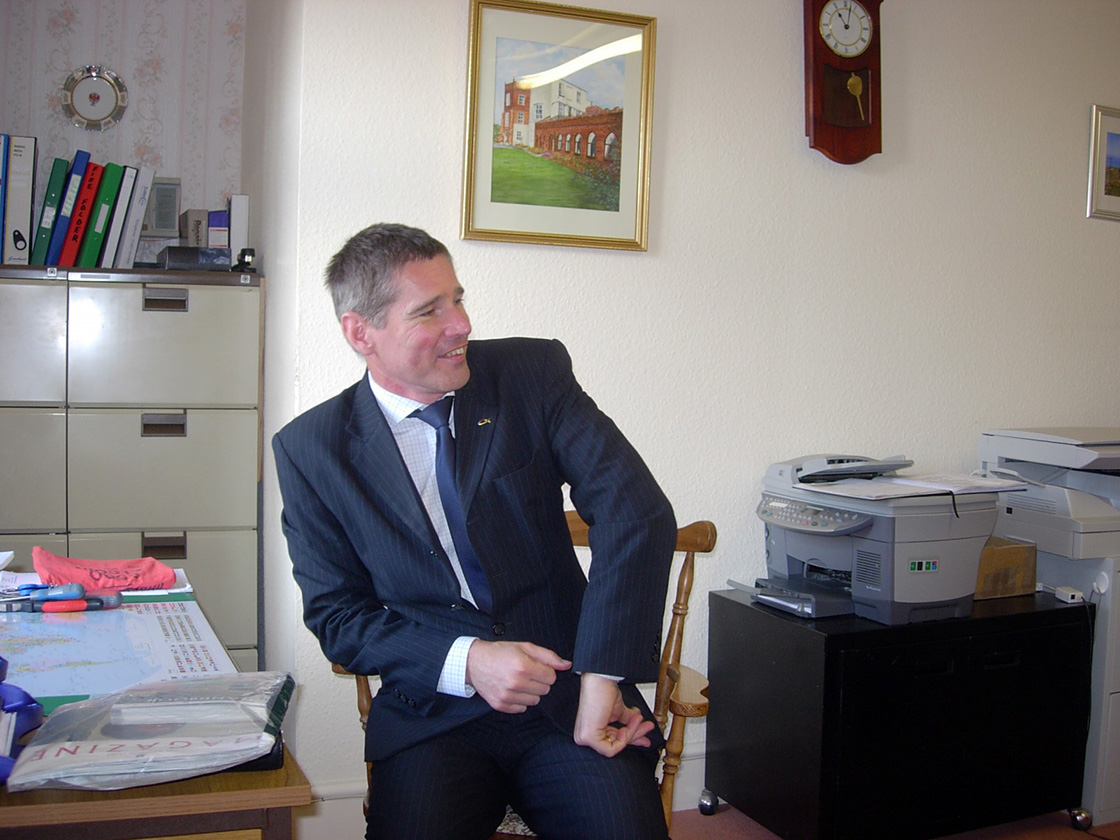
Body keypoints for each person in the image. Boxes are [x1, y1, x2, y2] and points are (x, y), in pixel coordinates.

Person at [272, 223, 677, 840]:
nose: (460, 324)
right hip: (433, 713)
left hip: (569, 693)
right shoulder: (312, 449)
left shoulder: (529, 374)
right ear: (361, 333)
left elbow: (636, 512)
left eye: (457, 299)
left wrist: (602, 678)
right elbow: (338, 615)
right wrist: (468, 661)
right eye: (429, 310)